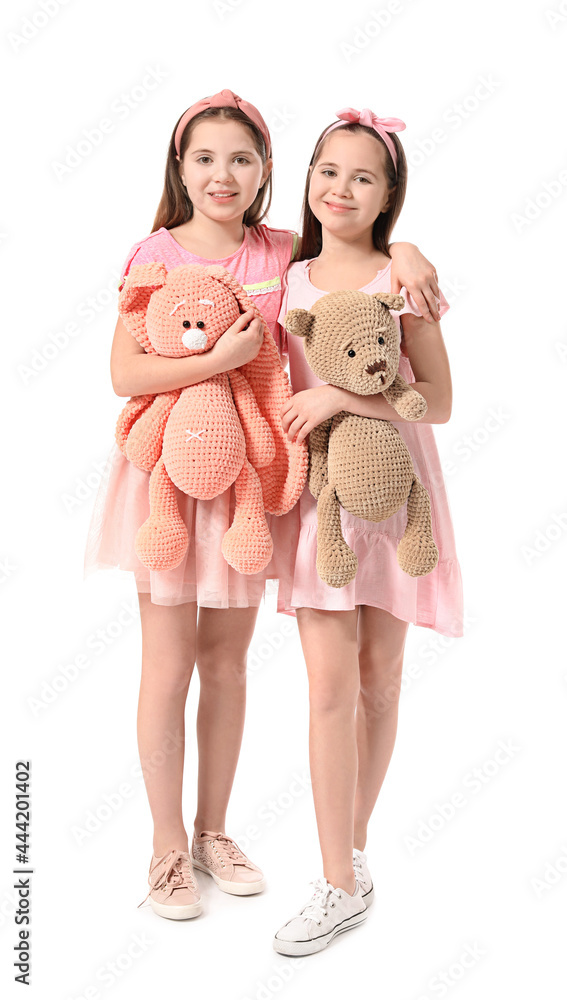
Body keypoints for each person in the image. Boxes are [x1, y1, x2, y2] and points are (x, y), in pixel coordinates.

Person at [83, 90, 436, 921]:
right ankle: (166, 848)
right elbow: (125, 376)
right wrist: (224, 359)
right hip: (166, 478)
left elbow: (355, 256)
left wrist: (411, 246)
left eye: (240, 159)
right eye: (203, 158)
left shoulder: (278, 253)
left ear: (267, 172)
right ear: (179, 168)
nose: (222, 174)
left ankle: (213, 832)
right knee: (167, 664)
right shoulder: (154, 254)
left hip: (249, 478)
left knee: (229, 662)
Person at [271, 108, 464, 955]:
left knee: (379, 677)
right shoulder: (284, 273)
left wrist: (340, 395)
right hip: (324, 498)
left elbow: (443, 401)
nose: (338, 188)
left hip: (398, 492)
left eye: (361, 176)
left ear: (389, 194)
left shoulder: (402, 278)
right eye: (325, 170)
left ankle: (347, 859)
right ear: (307, 180)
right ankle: (336, 881)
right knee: (326, 689)